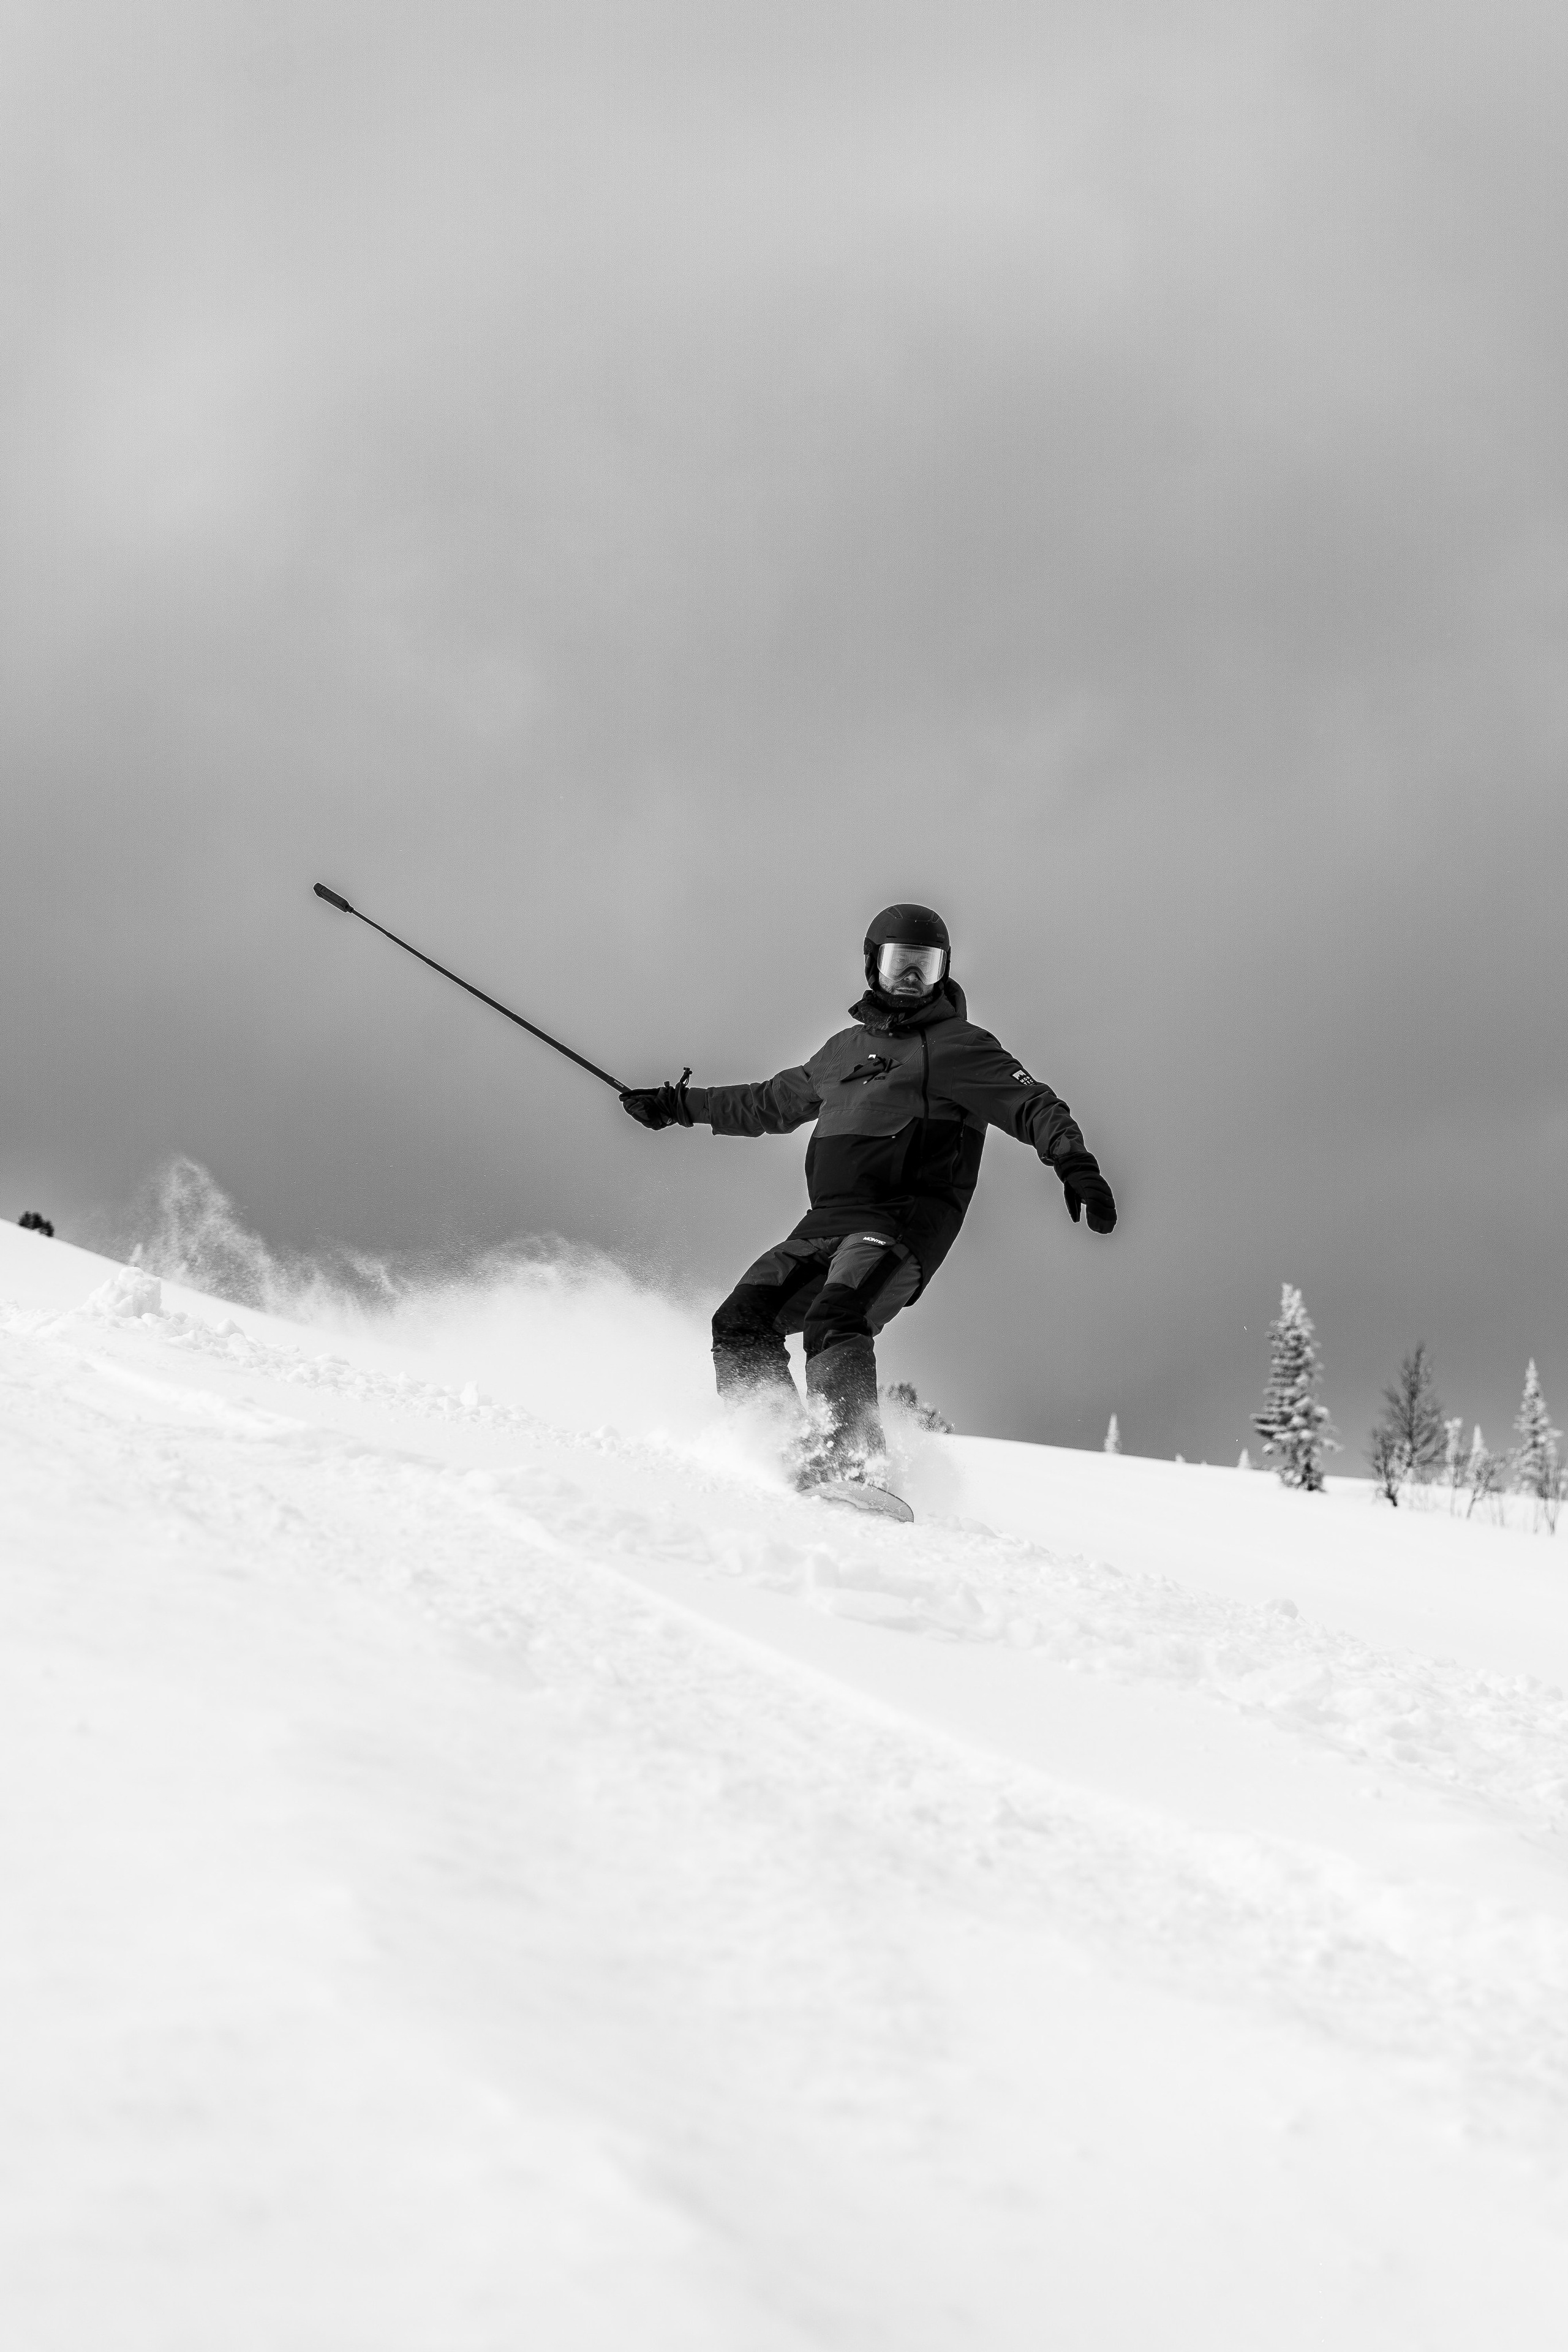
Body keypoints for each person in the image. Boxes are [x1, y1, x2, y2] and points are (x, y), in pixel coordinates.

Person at [620, 903, 1117, 1490]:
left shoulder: (959, 1046)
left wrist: (1073, 1162)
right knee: (740, 1321)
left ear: (944, 971)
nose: (911, 977)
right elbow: (767, 1103)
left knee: (836, 1318)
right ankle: (781, 1451)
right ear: (872, 965)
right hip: (824, 1223)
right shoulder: (842, 1051)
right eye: (900, 963)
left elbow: (1032, 1103)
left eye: (925, 966)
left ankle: (856, 1466)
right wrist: (679, 1105)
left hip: (902, 1220)